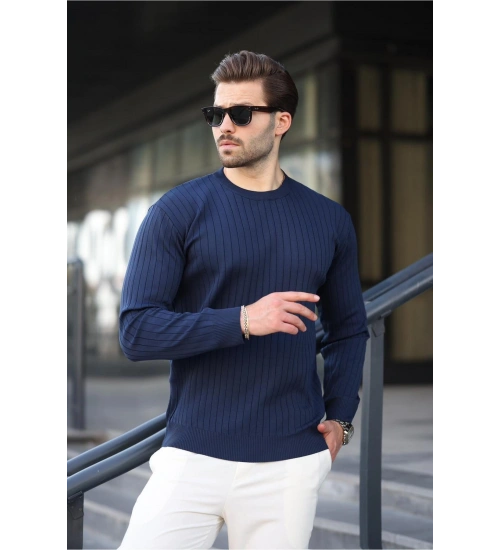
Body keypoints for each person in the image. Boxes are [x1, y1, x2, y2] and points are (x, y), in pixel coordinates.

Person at [117, 50, 369, 550]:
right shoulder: (177, 211)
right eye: (216, 114)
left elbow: (348, 329)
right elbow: (136, 332)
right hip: (192, 455)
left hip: (290, 462)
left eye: (240, 113)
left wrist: (341, 418)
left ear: (282, 121)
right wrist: (244, 320)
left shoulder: (329, 220)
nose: (224, 126)